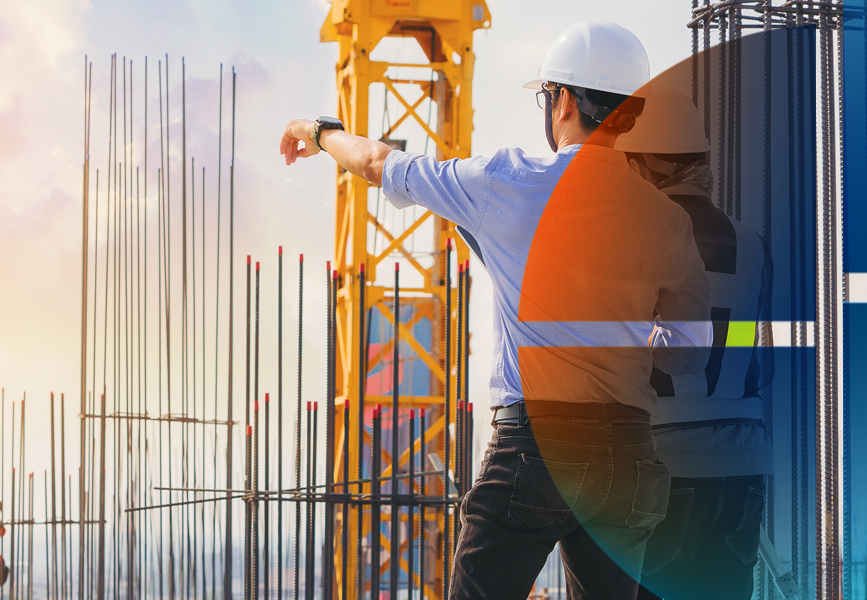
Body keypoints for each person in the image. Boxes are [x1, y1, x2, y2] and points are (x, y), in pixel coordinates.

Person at [280, 20, 712, 600]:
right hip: (626, 456)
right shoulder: (668, 222)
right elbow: (688, 358)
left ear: (561, 101)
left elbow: (379, 163)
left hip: (536, 449)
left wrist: (320, 130)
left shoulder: (509, 183)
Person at [617, 87, 774, 600]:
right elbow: (762, 364)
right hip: (743, 469)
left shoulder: (636, 236)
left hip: (666, 467)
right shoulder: (754, 244)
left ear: (644, 165)